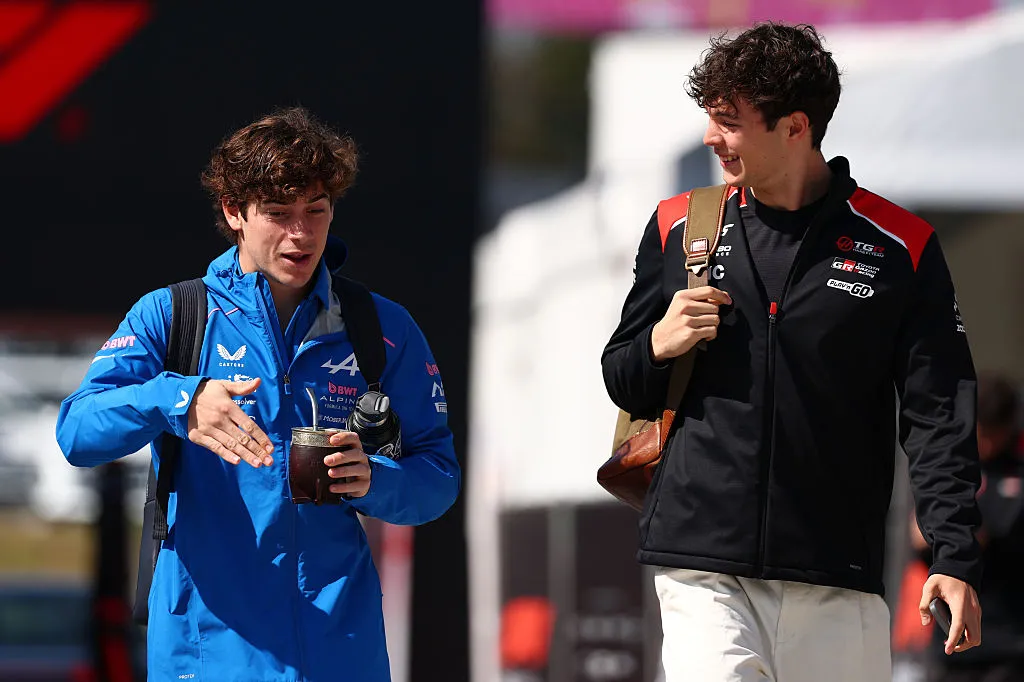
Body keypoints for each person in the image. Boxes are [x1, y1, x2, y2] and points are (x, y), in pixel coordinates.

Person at [601, 23, 982, 682]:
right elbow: (623, 377)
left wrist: (952, 555)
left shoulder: (903, 246)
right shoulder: (677, 224)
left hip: (838, 573)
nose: (709, 137)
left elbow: (939, 414)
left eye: (728, 121)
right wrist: (659, 345)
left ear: (796, 126)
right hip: (701, 563)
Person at [56, 107, 460, 682]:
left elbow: (438, 479)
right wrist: (176, 401)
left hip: (340, 652)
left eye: (316, 211)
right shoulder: (173, 316)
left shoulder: (381, 328)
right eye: (278, 213)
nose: (301, 233)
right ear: (234, 213)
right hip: (208, 652)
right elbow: (76, 432)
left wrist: (376, 479)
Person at [912, 373, 1023, 682]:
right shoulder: (953, 475)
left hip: (1009, 644)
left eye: (992, 433)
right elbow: (920, 537)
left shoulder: (1015, 473)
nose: (984, 443)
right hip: (951, 643)